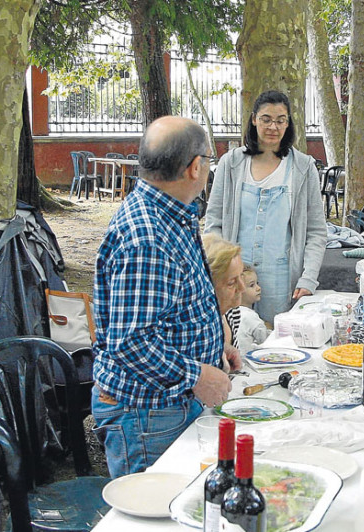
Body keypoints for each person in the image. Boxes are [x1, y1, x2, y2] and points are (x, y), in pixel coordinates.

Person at [91, 116, 241, 478]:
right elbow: (130, 342)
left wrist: (211, 350)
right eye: (209, 159)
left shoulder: (169, 214)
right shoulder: (148, 236)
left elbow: (170, 309)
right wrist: (196, 375)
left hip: (164, 405)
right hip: (146, 413)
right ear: (195, 167)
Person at [205, 90, 327, 325]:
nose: (273, 127)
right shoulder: (230, 163)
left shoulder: (303, 167)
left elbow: (316, 231)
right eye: (266, 119)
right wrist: (221, 273)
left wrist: (308, 279)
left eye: (281, 120)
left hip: (281, 279)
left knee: (276, 344)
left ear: (289, 123)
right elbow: (214, 223)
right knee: (235, 339)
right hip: (235, 277)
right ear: (253, 120)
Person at [203, 234, 269, 353]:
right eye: (231, 282)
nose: (242, 288)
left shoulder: (232, 313)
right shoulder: (196, 325)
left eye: (240, 277)